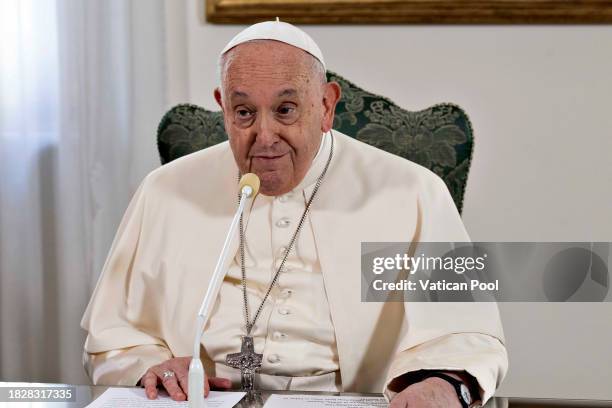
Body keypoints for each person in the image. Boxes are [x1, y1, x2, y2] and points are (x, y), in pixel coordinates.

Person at [81, 20, 508, 408]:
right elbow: (115, 336)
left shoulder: (413, 191)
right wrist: (148, 365)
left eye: (285, 110)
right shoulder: (166, 190)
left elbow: (466, 336)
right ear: (223, 108)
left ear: (325, 106)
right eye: (244, 112)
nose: (264, 137)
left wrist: (442, 382)